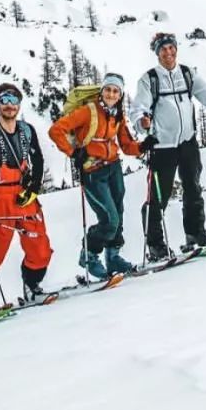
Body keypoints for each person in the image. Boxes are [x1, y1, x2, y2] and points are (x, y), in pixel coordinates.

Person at [131, 32, 206, 260]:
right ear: (157, 53)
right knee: (158, 196)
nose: (168, 53)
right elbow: (138, 108)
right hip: (162, 147)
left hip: (188, 143)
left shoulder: (187, 74)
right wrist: (142, 122)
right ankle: (156, 245)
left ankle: (195, 234)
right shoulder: (149, 80)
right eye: (163, 50)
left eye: (171, 48)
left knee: (193, 189)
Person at [49, 72, 144, 280]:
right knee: (109, 220)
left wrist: (144, 146)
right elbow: (56, 130)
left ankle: (113, 258)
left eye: (115, 91)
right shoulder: (88, 111)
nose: (111, 94)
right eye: (108, 89)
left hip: (113, 168)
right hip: (93, 171)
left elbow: (127, 145)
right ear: (102, 92)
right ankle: (89, 255)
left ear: (120, 95)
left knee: (117, 215)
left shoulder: (118, 115)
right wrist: (74, 153)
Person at [0, 83, 53, 310]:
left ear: (19, 105)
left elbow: (39, 160)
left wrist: (33, 188)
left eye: (14, 101)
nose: (9, 105)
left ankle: (32, 286)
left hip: (23, 195)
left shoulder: (27, 130)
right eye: (4, 100)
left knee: (39, 244)